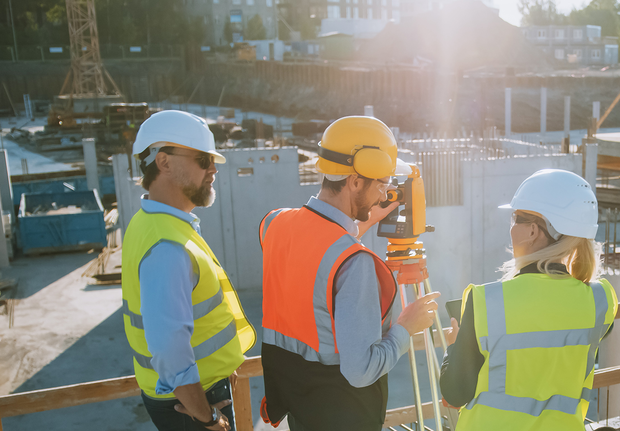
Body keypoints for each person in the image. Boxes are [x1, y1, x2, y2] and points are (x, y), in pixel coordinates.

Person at [258, 116, 442, 430]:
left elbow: (312, 251)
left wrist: (357, 226)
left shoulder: (273, 224)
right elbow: (361, 371)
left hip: (299, 410)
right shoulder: (355, 263)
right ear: (355, 181)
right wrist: (405, 328)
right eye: (381, 184)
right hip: (343, 415)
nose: (385, 196)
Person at [440, 169, 618, 430]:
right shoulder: (600, 300)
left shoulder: (486, 301)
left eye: (515, 219)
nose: (511, 228)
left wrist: (454, 347)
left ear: (533, 230)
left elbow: (455, 393)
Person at [121, 110, 255, 431]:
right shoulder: (167, 246)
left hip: (195, 393)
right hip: (192, 407)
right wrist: (206, 417)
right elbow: (169, 349)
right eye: (201, 159)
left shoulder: (152, 223)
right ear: (164, 162)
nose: (212, 169)